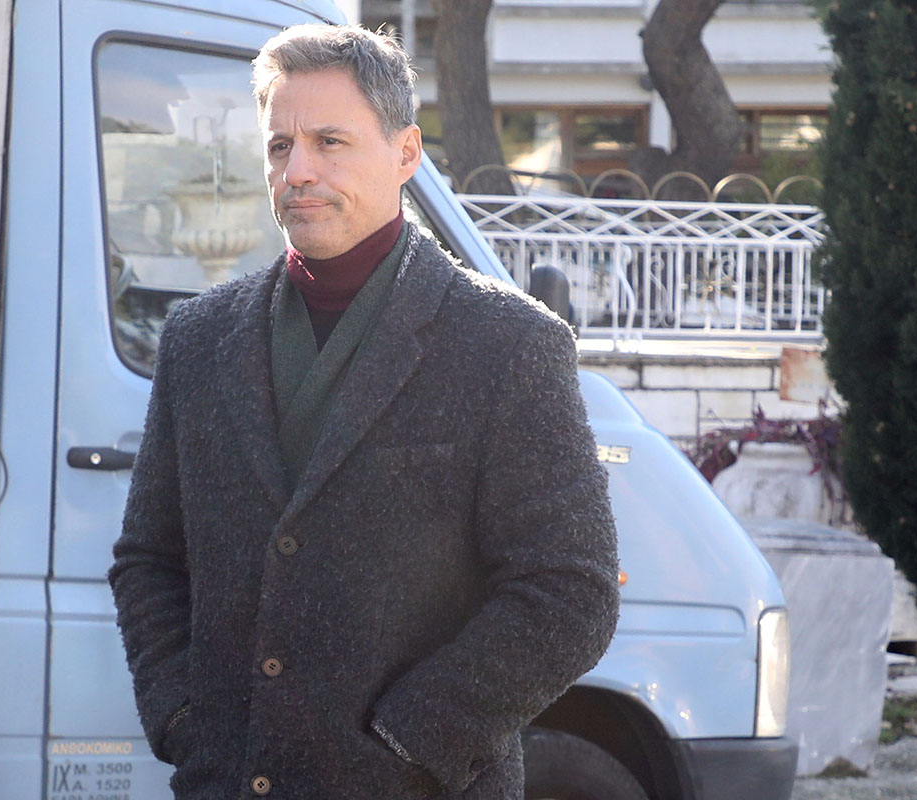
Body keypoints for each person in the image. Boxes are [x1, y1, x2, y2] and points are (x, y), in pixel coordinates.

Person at [108, 23, 620, 800]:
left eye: (330, 142)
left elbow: (571, 592)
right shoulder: (198, 339)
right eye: (280, 146)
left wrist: (408, 742)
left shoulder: (508, 344)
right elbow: (148, 559)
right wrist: (184, 718)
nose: (298, 171)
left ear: (406, 153)